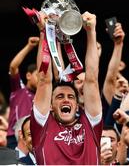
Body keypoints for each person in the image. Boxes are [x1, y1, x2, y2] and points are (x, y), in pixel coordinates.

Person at [30, 11, 103, 165]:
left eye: (71, 97)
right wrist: (44, 32)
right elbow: (44, 80)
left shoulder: (90, 123)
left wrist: (91, 31)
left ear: (77, 104)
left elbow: (91, 80)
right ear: (50, 106)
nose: (66, 99)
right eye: (59, 97)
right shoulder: (42, 126)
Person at [7, 36, 39, 149]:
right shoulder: (18, 89)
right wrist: (29, 46)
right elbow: (13, 67)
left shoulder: (42, 95)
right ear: (28, 76)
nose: (41, 79)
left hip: (33, 138)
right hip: (13, 138)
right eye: (37, 76)